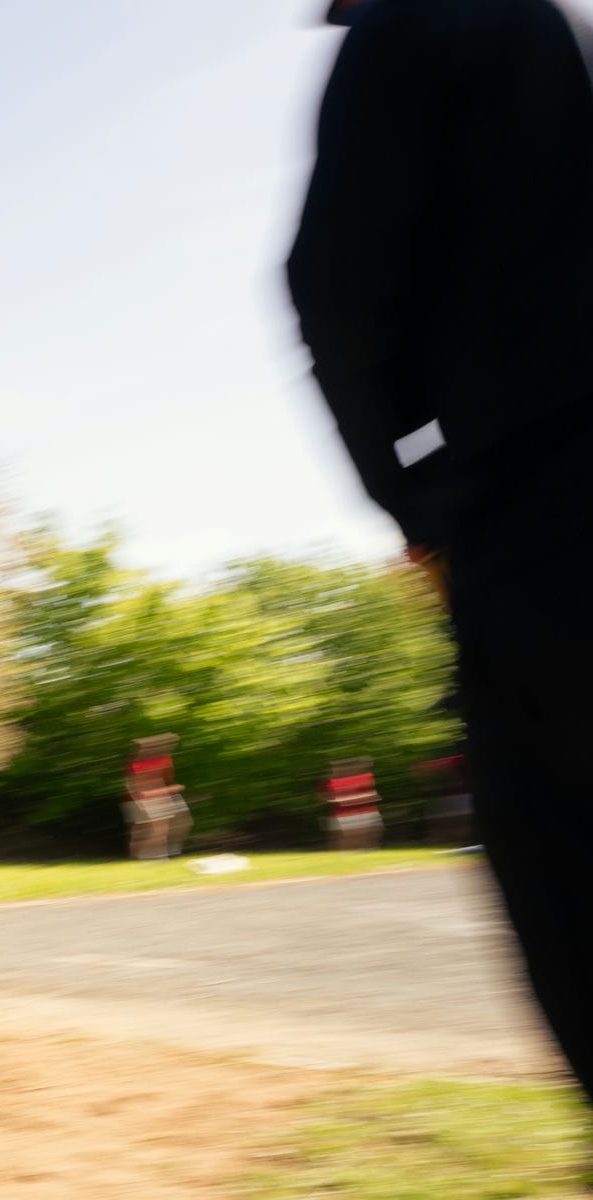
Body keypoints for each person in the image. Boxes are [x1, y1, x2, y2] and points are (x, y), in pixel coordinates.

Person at [288, 0, 593, 1099]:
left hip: (546, 505)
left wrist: (413, 507)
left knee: (568, 888)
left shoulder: (411, 27)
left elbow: (334, 295)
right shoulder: (552, 30)